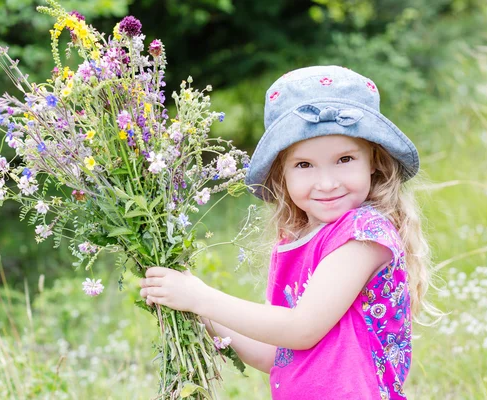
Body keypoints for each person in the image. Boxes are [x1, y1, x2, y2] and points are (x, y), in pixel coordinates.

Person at [139, 65, 436, 399]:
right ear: (282, 175)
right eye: (304, 165)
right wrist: (198, 309)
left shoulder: (363, 236)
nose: (327, 182)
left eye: (345, 159)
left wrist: (203, 297)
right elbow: (275, 353)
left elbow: (301, 329)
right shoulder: (295, 241)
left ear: (374, 161)